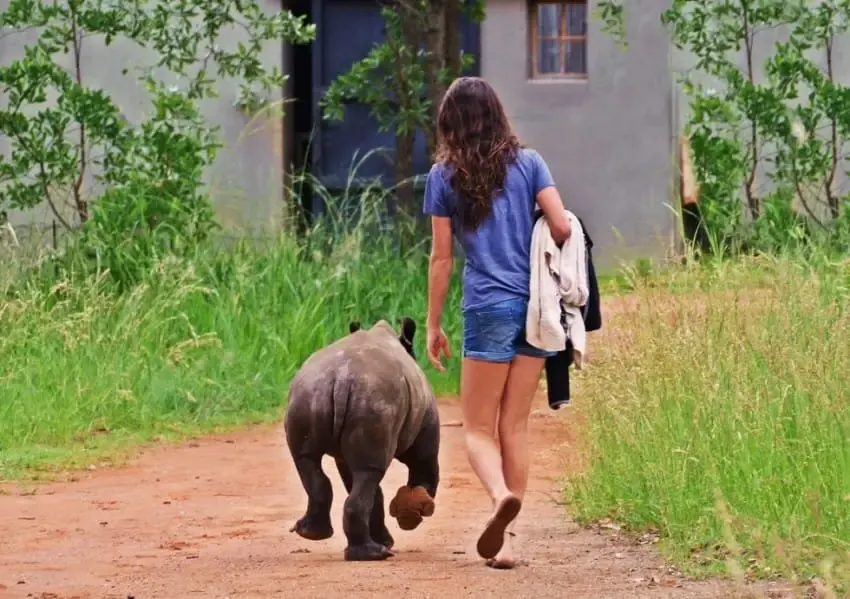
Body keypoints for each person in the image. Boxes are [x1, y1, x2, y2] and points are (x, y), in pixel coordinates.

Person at [423, 76, 572, 569]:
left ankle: (497, 498)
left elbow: (441, 259)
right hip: (538, 310)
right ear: (496, 113)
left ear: (451, 123)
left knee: (477, 429)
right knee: (515, 425)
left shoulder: (442, 178)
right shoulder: (530, 163)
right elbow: (562, 226)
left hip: (487, 307)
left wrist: (433, 324)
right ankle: (507, 542)